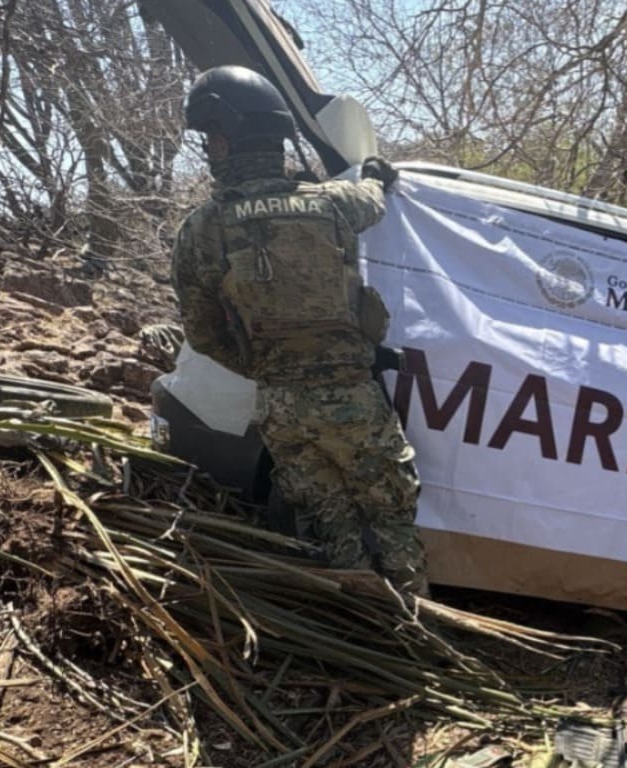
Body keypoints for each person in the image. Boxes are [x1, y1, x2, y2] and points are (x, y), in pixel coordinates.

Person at [170, 65, 428, 597]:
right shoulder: (333, 202)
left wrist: (267, 367)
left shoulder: (203, 229)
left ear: (223, 141)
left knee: (331, 525)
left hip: (281, 407)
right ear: (277, 138)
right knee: (393, 521)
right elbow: (373, 198)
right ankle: (417, 625)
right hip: (354, 399)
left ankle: (358, 622)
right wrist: (374, 173)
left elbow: (203, 334)